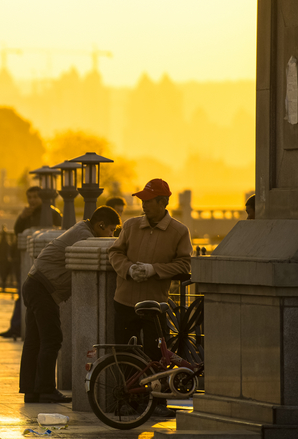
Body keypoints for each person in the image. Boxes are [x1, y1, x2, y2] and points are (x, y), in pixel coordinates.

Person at [19, 206, 120, 403]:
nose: (111, 234)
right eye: (111, 230)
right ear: (100, 225)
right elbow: (105, 249)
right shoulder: (84, 235)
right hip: (42, 288)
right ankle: (46, 389)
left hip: (35, 284)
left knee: (34, 340)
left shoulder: (82, 229)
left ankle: (31, 391)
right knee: (51, 339)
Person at [108, 178, 192, 418]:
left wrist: (155, 270)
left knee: (157, 356)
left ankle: (157, 402)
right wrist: (128, 268)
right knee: (123, 353)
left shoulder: (179, 231)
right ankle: (127, 400)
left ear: (163, 202)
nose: (143, 204)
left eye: (148, 200)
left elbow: (185, 263)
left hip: (155, 305)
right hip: (124, 300)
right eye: (142, 200)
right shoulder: (131, 226)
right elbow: (115, 252)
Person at [0, 186, 63, 338]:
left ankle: (25, 328)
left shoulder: (53, 213)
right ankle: (16, 327)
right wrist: (21, 217)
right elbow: (17, 232)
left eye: (35, 197)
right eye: (30, 197)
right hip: (23, 259)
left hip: (42, 260)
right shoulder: (26, 214)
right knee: (22, 292)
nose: (32, 200)